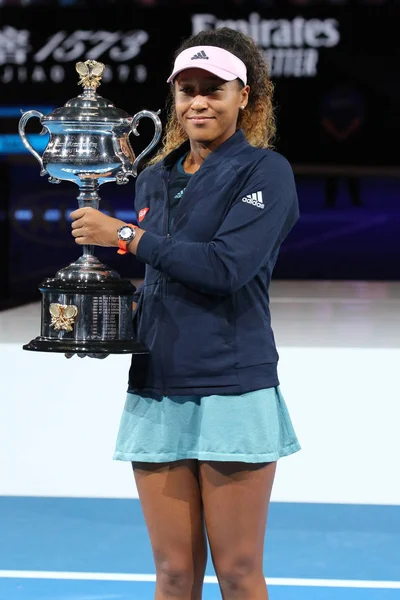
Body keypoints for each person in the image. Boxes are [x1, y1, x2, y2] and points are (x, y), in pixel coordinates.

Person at [69, 27, 301, 600]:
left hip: (232, 386)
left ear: (244, 97)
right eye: (186, 89)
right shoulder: (153, 176)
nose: (198, 101)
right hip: (156, 387)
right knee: (173, 575)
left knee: (239, 571)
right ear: (173, 98)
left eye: (213, 89)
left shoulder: (265, 173)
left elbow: (224, 268)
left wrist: (123, 234)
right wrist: (98, 320)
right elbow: (164, 277)